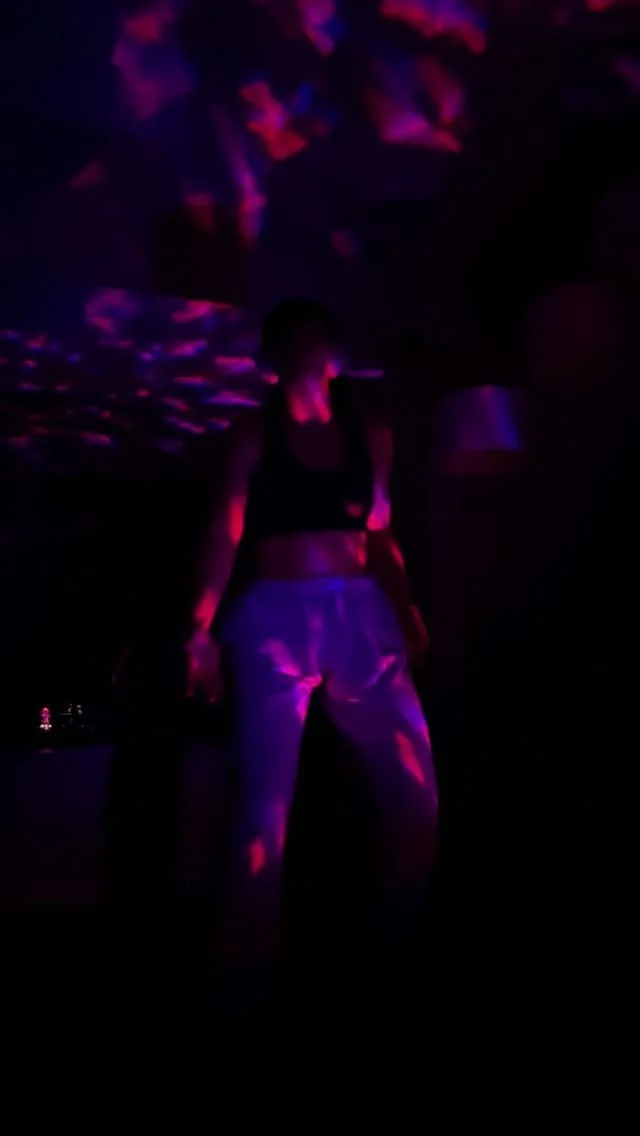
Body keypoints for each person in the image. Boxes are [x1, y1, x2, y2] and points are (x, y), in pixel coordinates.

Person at [186, 298, 438, 1005]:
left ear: (335, 356)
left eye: (314, 340)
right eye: (291, 343)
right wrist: (199, 629)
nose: (305, 353)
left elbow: (381, 535)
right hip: (275, 618)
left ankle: (396, 955)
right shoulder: (252, 437)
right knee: (263, 812)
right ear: (270, 362)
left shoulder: (372, 436)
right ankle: (243, 978)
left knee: (416, 797)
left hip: (361, 616)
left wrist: (409, 611)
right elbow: (224, 532)